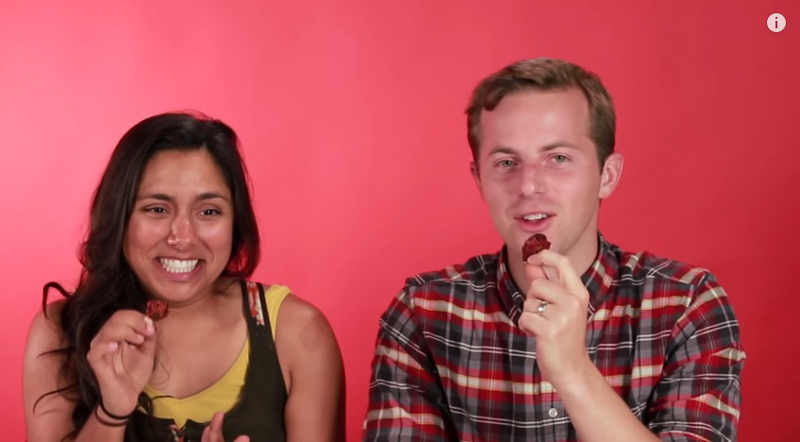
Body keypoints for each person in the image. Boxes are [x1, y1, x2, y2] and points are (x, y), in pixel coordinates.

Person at [363, 58, 744, 441]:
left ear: (606, 175)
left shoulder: (686, 303)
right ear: (479, 180)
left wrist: (573, 371)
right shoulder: (423, 311)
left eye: (558, 158)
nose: (529, 185)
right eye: (506, 162)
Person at [23, 112, 344, 442]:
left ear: (236, 222)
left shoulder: (298, 334)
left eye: (208, 211)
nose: (183, 237)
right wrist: (112, 412)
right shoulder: (58, 334)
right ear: (120, 217)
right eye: (157, 209)